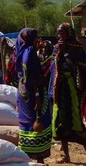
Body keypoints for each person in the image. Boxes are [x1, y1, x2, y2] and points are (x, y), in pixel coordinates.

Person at [49, 22, 86, 163]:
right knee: (59, 121)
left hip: (72, 90)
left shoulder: (76, 48)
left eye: (61, 33)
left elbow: (82, 66)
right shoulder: (56, 48)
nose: (59, 35)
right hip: (59, 90)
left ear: (68, 33)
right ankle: (66, 155)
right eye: (58, 33)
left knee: (76, 121)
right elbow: (53, 70)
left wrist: (66, 54)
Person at [14, 28, 52, 163]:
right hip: (33, 94)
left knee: (26, 123)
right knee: (39, 121)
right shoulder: (30, 52)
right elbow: (33, 77)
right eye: (36, 37)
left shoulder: (20, 51)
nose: (38, 40)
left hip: (23, 93)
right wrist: (37, 97)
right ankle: (39, 158)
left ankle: (27, 158)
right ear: (30, 38)